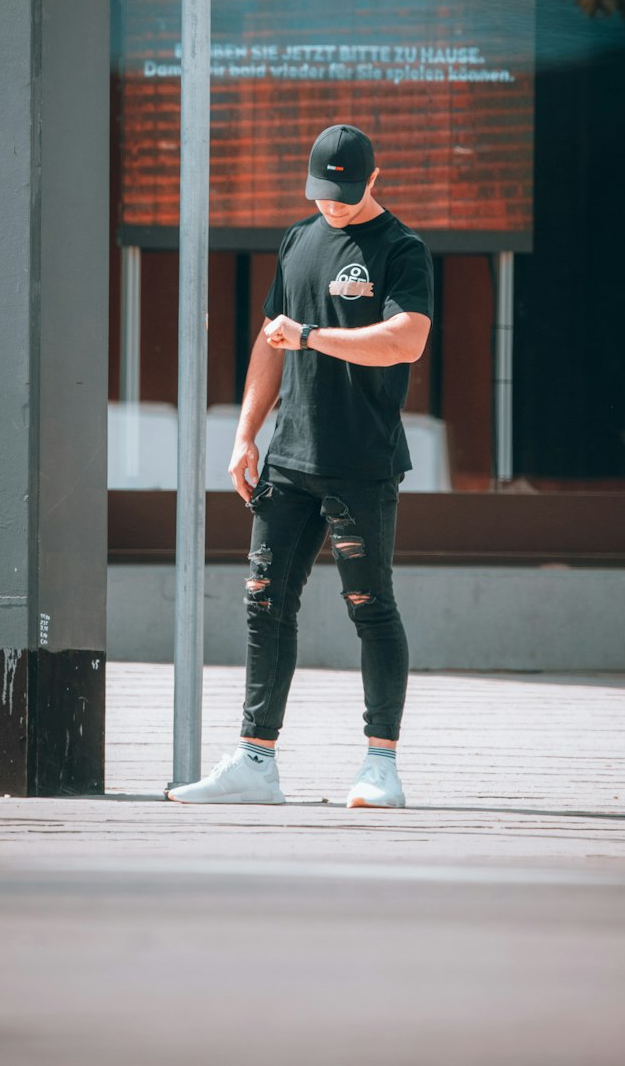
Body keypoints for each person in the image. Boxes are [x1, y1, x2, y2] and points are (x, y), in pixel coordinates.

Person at [168, 124, 434, 809]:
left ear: (374, 180)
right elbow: (270, 342)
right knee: (264, 605)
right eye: (324, 193)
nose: (334, 206)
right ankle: (256, 762)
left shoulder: (402, 250)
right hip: (288, 457)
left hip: (361, 463)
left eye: (347, 194)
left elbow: (405, 342)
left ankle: (381, 767)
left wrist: (312, 335)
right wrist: (245, 433)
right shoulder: (298, 239)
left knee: (370, 609)